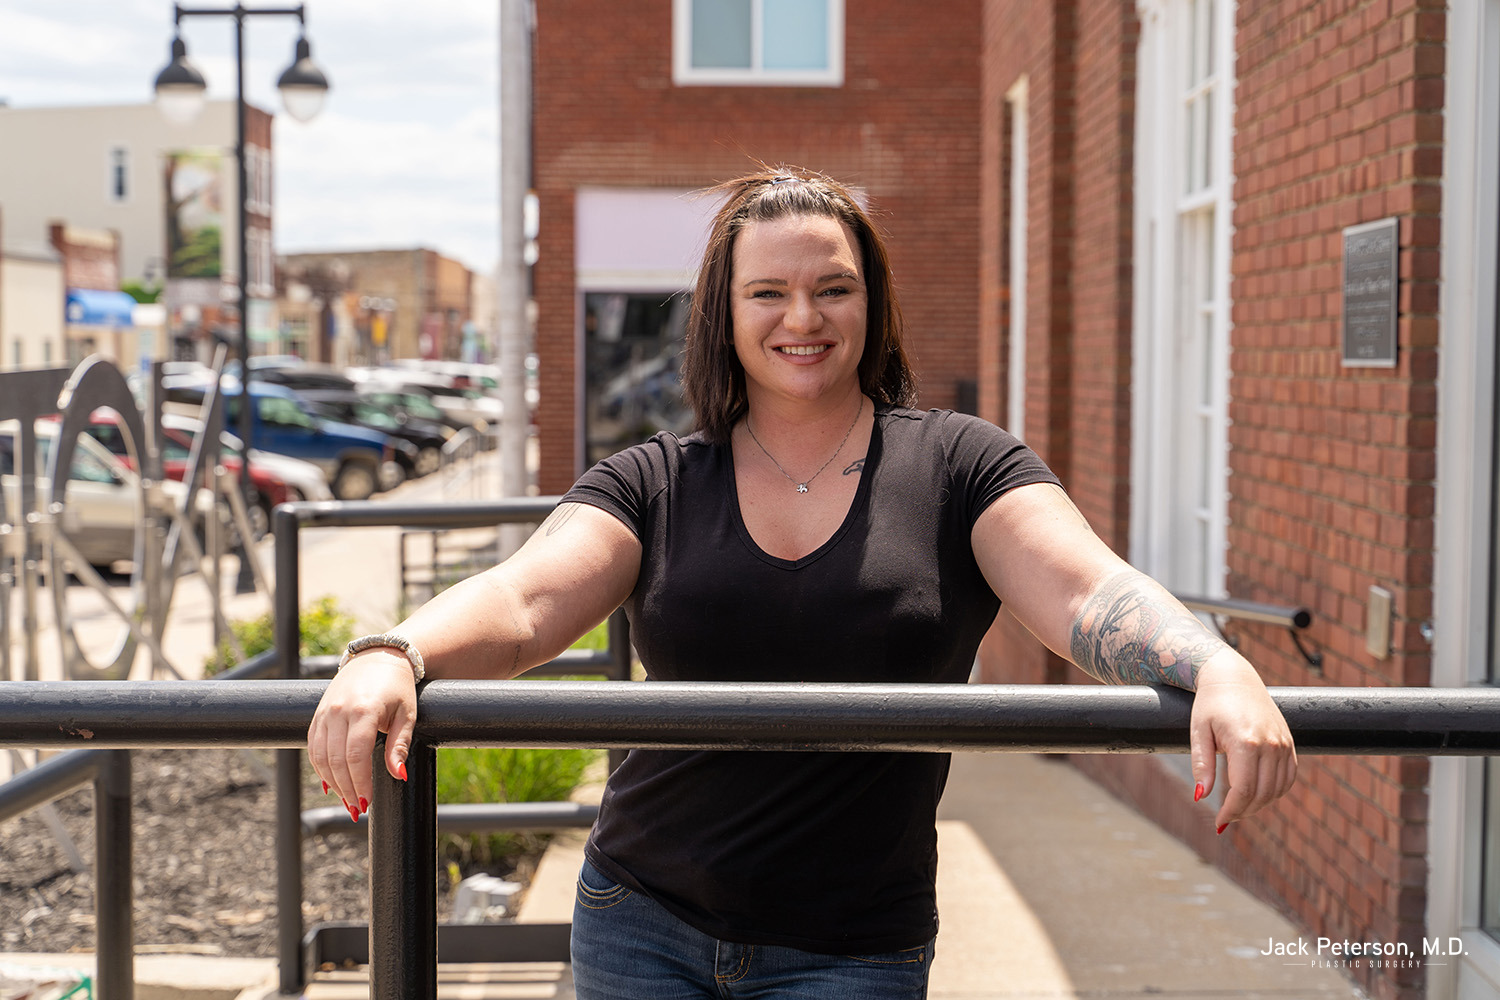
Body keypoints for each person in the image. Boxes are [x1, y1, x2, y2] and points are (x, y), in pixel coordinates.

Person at [308, 167, 1297, 999]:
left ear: (872, 300)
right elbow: (525, 599)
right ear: (726, 313)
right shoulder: (656, 479)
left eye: (833, 286)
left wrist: (1212, 665)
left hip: (853, 947)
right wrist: (394, 652)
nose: (803, 317)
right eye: (768, 292)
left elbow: (1088, 593)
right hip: (641, 919)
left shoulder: (962, 468)